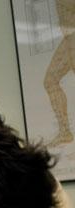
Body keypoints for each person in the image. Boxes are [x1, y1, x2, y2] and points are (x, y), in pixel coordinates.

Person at [43, 0, 75, 147]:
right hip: (69, 38)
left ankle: (65, 132)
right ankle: (64, 132)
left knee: (50, 80)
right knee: (50, 81)